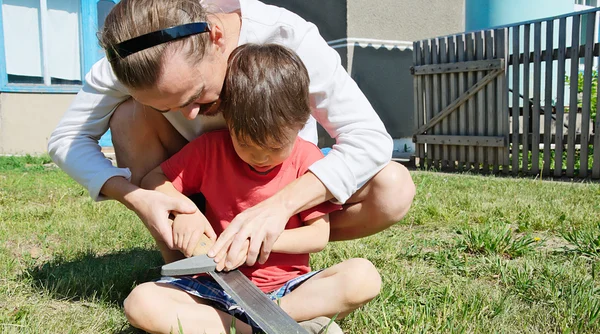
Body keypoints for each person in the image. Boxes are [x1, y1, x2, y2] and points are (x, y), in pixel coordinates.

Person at [47, 0, 415, 271]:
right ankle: (188, 269)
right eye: (167, 107)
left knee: (392, 188)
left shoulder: (287, 37)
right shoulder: (131, 60)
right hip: (196, 185)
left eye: (195, 95)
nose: (190, 115)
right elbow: (66, 140)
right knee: (128, 117)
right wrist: (140, 198)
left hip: (278, 188)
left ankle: (269, 255)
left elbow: (368, 137)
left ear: (216, 36)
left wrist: (279, 207)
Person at [129, 43, 381, 334]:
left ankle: (221, 332)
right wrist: (185, 212)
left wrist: (258, 242)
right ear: (228, 121)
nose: (261, 157)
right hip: (215, 286)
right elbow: (154, 179)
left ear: (300, 125)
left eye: (276, 147)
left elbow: (318, 236)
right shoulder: (211, 149)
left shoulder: (307, 158)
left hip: (286, 290)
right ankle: (277, 333)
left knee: (363, 277)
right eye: (246, 144)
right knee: (140, 302)